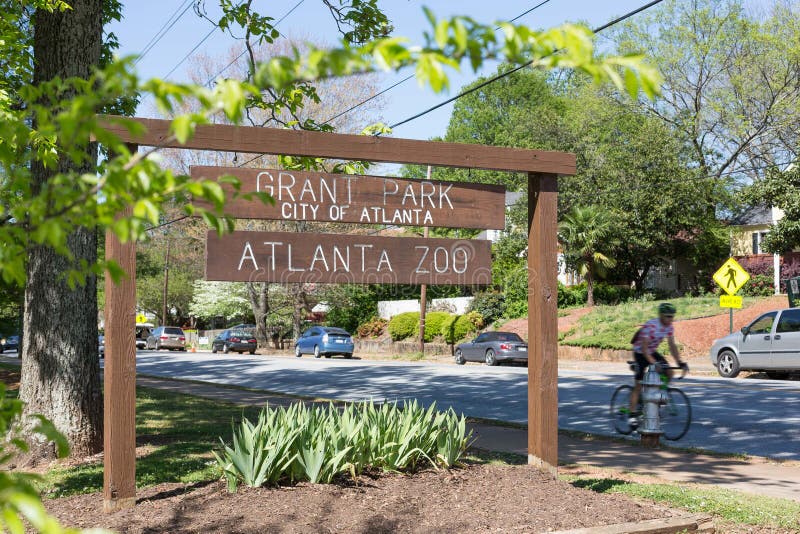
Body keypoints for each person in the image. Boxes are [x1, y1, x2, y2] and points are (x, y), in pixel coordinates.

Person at [628, 302, 689, 425]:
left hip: (652, 351)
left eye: (672, 316)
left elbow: (672, 346)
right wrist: (655, 363)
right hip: (640, 352)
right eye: (667, 316)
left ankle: (657, 398)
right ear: (660, 315)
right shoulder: (651, 326)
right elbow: (644, 349)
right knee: (638, 384)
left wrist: (680, 362)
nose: (670, 319)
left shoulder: (669, 327)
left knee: (669, 372)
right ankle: (632, 414)